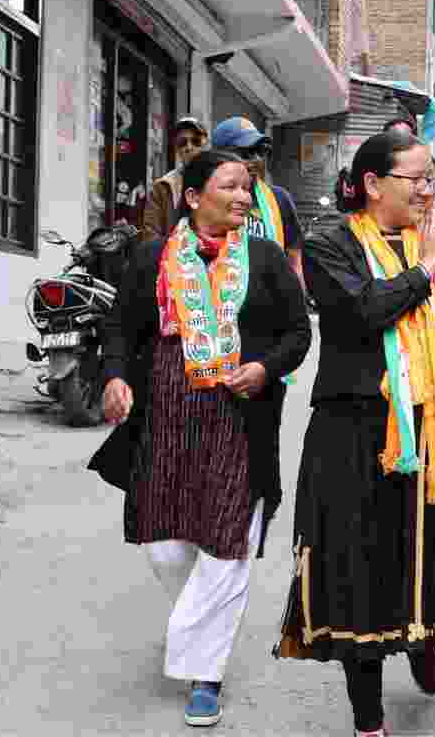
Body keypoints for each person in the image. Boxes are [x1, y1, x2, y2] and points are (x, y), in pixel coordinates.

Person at [275, 130, 435, 737]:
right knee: (359, 564)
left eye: (432, 180)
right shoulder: (332, 243)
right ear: (373, 184)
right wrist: (426, 269)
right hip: (356, 430)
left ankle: (422, 634)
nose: (428, 191)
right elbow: (362, 311)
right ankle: (369, 721)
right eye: (418, 179)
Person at [91, 150, 311, 728]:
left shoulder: (263, 259)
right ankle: (199, 624)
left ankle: (204, 673)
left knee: (226, 539)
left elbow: (297, 332)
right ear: (192, 198)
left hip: (240, 418)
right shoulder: (151, 258)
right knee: (164, 542)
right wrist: (115, 375)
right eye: (230, 187)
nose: (243, 197)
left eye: (246, 188)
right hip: (165, 411)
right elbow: (120, 328)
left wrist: (265, 369)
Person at [209, 117, 304, 287]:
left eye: (261, 151)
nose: (256, 159)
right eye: (245, 153)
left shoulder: (279, 199)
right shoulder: (205, 201)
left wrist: (297, 298)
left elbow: (294, 257)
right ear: (219, 157)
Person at [142, 116, 209, 241]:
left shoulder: (219, 181)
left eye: (196, 141)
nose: (189, 147)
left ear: (205, 144)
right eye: (182, 143)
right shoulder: (163, 187)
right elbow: (150, 235)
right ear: (176, 149)